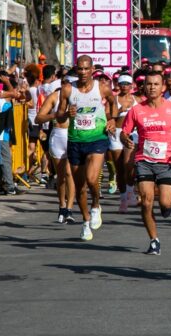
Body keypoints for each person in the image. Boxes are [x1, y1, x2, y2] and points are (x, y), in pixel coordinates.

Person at [121, 71, 171, 255]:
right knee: (147, 202)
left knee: (165, 203)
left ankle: (168, 207)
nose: (152, 87)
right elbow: (124, 132)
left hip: (166, 161)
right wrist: (125, 139)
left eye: (156, 84)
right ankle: (154, 240)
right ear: (144, 87)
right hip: (144, 160)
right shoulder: (136, 110)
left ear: (163, 87)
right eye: (149, 84)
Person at [56, 56, 117, 241]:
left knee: (92, 179)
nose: (83, 72)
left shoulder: (102, 87)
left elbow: (114, 104)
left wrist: (113, 119)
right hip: (75, 141)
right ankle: (85, 221)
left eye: (86, 69)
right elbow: (59, 116)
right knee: (80, 188)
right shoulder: (68, 89)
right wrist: (67, 113)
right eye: (80, 69)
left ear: (92, 70)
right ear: (77, 70)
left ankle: (97, 205)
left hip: (97, 139)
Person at [35, 74, 76, 223]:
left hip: (73, 135)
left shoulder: (81, 96)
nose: (68, 86)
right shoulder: (54, 96)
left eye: (71, 83)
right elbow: (38, 118)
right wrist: (56, 115)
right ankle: (62, 206)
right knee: (61, 175)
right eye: (66, 83)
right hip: (58, 136)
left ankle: (70, 209)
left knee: (69, 173)